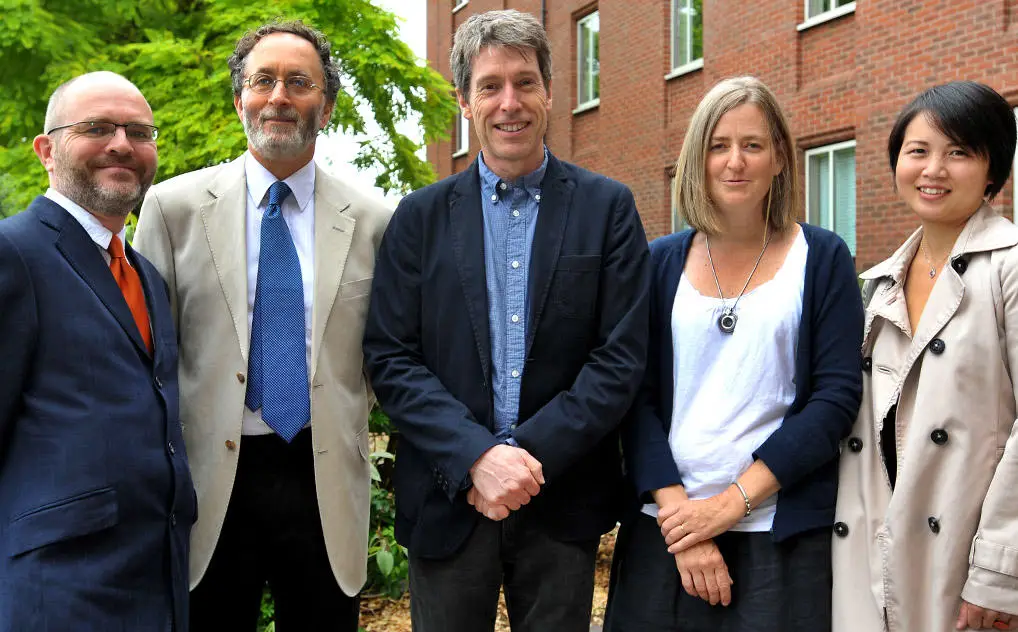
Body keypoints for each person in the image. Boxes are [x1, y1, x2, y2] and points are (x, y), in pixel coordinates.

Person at [362, 9, 650, 632]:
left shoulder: (608, 209)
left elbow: (620, 357)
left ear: (550, 91)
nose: (509, 103)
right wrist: (476, 458)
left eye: (525, 83)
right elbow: (390, 356)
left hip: (562, 497)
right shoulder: (418, 219)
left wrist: (521, 459)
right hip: (449, 496)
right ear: (465, 101)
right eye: (490, 86)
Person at [133, 20, 391, 632]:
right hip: (209, 480)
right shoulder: (172, 210)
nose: (278, 96)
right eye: (262, 81)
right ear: (239, 99)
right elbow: (146, 355)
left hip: (324, 477)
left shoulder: (375, 220)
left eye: (299, 82)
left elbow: (384, 355)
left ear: (326, 106)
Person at [603, 76, 864, 632]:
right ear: (697, 160)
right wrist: (685, 520)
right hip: (663, 528)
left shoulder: (823, 258)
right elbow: (633, 396)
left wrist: (728, 506)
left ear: (780, 158)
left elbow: (835, 399)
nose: (735, 161)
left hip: (780, 531)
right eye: (718, 145)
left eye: (753, 145)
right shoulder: (658, 262)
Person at [0, 71, 195, 631]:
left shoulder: (147, 275)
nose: (122, 144)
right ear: (46, 151)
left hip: (157, 582)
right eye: (96, 128)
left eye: (139, 132)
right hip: (58, 589)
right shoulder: (14, 254)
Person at [833, 81, 1018, 632]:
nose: (933, 169)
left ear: (992, 170)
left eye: (958, 152)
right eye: (918, 151)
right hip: (873, 560)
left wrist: (999, 573)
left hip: (967, 559)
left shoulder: (1007, 267)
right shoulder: (876, 283)